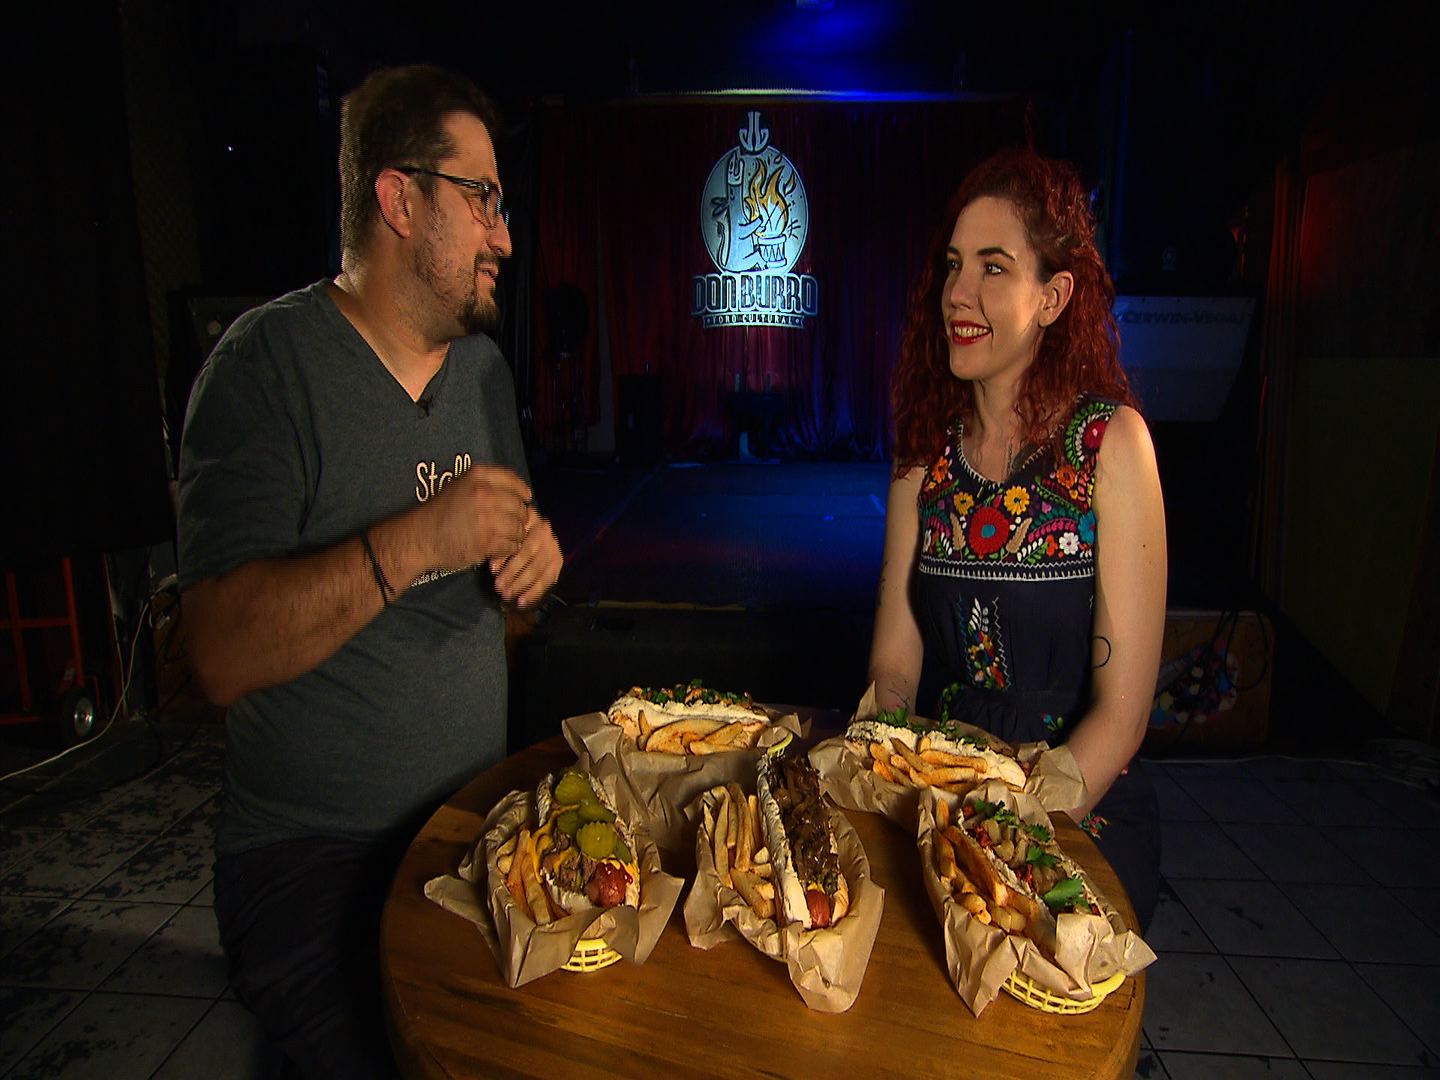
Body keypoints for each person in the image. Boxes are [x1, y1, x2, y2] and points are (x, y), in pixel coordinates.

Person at [176, 65, 562, 1077]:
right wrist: (419, 539)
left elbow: (506, 605)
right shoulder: (266, 368)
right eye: (482, 201)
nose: (504, 237)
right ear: (400, 199)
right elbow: (215, 654)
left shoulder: (483, 373)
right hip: (312, 855)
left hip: (470, 825)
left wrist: (532, 566)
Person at [868, 146, 1166, 930]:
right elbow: (894, 666)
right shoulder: (921, 458)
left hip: (1079, 803)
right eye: (953, 266)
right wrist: (886, 759)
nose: (957, 294)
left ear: (1054, 297)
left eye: (993, 268)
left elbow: (1122, 717)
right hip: (942, 788)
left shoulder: (1112, 447)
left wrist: (1014, 827)